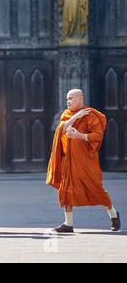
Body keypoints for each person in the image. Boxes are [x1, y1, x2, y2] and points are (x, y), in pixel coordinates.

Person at [47, 89, 121, 232]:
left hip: (87, 160)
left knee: (96, 189)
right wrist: (75, 117)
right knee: (65, 190)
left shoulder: (91, 115)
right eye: (67, 99)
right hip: (68, 160)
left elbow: (97, 136)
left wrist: (80, 136)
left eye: (71, 99)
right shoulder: (67, 115)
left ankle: (113, 214)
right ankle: (68, 223)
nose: (68, 101)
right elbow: (60, 130)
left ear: (80, 99)